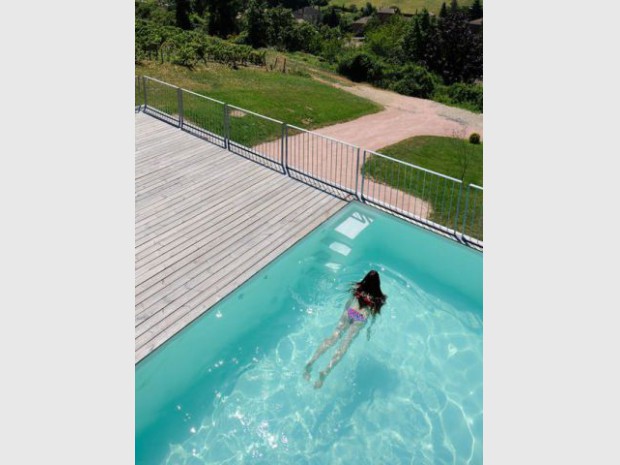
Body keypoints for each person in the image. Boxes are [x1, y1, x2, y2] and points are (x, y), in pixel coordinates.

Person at [304, 270, 387, 389]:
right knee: (344, 345)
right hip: (360, 317)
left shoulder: (357, 288)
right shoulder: (379, 299)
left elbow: (348, 303)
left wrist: (344, 314)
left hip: (350, 312)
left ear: (365, 279)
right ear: (377, 283)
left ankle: (311, 362)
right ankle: (326, 371)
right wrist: (369, 330)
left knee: (332, 338)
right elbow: (373, 316)